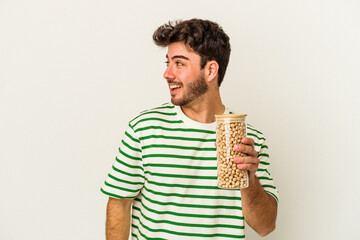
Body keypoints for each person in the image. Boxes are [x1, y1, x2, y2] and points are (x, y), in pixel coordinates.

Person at [101, 18, 278, 240]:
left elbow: (266, 226)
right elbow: (119, 203)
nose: (167, 74)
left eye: (179, 63)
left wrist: (250, 179)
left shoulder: (248, 140)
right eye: (168, 63)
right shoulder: (144, 129)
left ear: (210, 70)